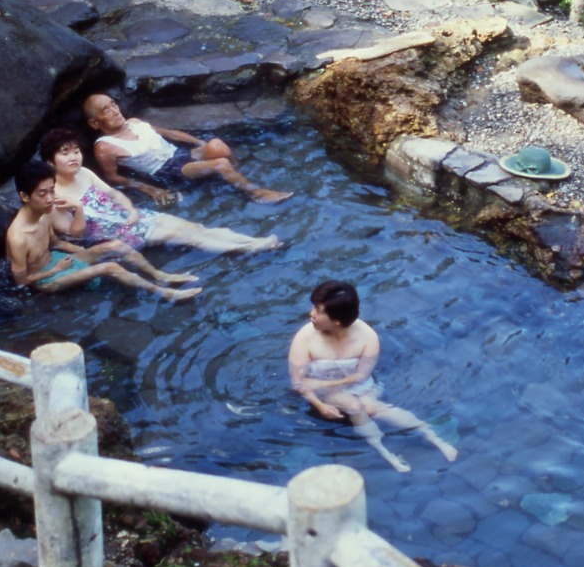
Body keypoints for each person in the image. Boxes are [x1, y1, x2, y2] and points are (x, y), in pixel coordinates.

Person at [289, 280, 457, 473]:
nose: (311, 314)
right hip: (326, 392)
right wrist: (319, 404)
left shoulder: (367, 336)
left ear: (336, 320)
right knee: (354, 405)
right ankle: (382, 449)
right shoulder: (305, 338)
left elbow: (361, 375)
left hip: (357, 384)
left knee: (374, 407)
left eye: (318, 311)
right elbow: (298, 382)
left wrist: (322, 382)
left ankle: (429, 433)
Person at [39, 128, 282, 255]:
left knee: (196, 228)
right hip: (115, 232)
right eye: (65, 153)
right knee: (193, 238)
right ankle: (253, 247)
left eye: (75, 151)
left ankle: (253, 241)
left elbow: (114, 193)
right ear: (50, 162)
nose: (73, 157)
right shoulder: (53, 194)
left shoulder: (85, 173)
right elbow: (75, 233)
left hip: (132, 217)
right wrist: (78, 208)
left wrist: (131, 209)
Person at [5, 161, 202, 303]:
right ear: (24, 196)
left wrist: (94, 251)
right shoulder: (18, 238)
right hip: (46, 279)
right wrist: (56, 270)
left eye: (52, 190)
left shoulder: (43, 213)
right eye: (42, 193)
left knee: (115, 246)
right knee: (109, 268)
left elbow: (56, 243)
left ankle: (160, 275)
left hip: (58, 260)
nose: (50, 199)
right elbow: (21, 281)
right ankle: (165, 293)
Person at [82, 94, 291, 206]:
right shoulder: (105, 147)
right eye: (106, 110)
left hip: (180, 155)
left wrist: (199, 143)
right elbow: (113, 177)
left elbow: (168, 133)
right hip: (168, 171)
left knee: (217, 145)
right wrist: (150, 189)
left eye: (113, 104)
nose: (114, 110)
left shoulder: (134, 122)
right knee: (221, 163)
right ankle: (256, 193)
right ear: (94, 122)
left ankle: (237, 177)